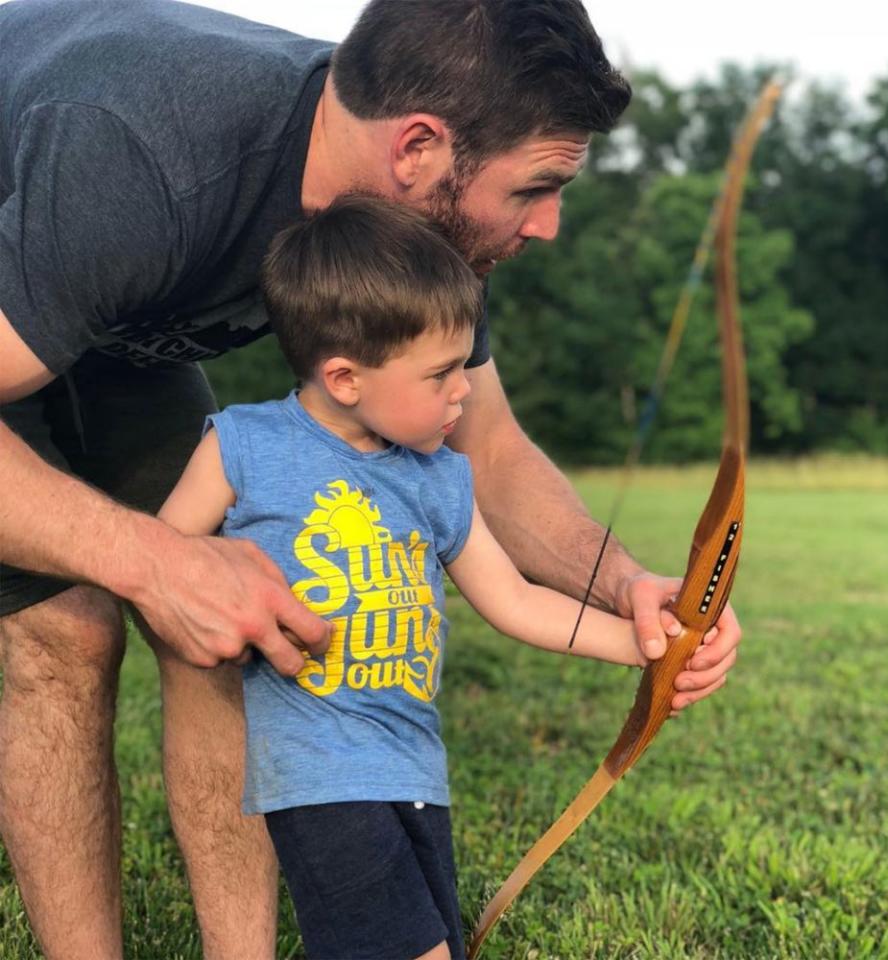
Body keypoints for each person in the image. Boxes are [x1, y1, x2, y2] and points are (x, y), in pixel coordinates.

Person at [0, 1, 740, 957]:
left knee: (232, 620)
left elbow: (492, 449)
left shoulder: (427, 238)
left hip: (120, 317)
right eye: (538, 187)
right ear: (420, 148)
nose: (550, 225)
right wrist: (150, 562)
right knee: (66, 628)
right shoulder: (144, 157)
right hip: (32, 262)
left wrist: (630, 588)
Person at [161, 194, 659, 960]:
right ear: (345, 377)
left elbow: (516, 599)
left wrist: (643, 646)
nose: (465, 391)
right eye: (442, 374)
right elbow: (162, 561)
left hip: (415, 766)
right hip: (316, 772)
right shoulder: (243, 447)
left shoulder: (438, 477)